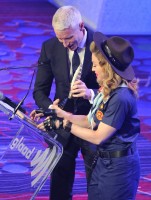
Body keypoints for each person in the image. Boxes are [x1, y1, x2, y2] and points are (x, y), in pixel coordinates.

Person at [37, 32, 140, 200]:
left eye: (94, 65)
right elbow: (90, 120)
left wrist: (64, 125)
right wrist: (60, 115)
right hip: (103, 164)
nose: (92, 69)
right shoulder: (108, 90)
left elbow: (98, 136)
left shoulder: (120, 97)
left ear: (106, 66)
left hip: (119, 170)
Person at [30, 5, 98, 200]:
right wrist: (51, 109)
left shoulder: (101, 45)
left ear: (82, 26)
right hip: (61, 127)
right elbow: (39, 91)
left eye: (69, 38)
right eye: (61, 39)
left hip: (92, 124)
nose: (65, 44)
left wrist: (90, 93)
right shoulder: (50, 47)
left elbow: (116, 87)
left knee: (96, 182)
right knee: (59, 184)